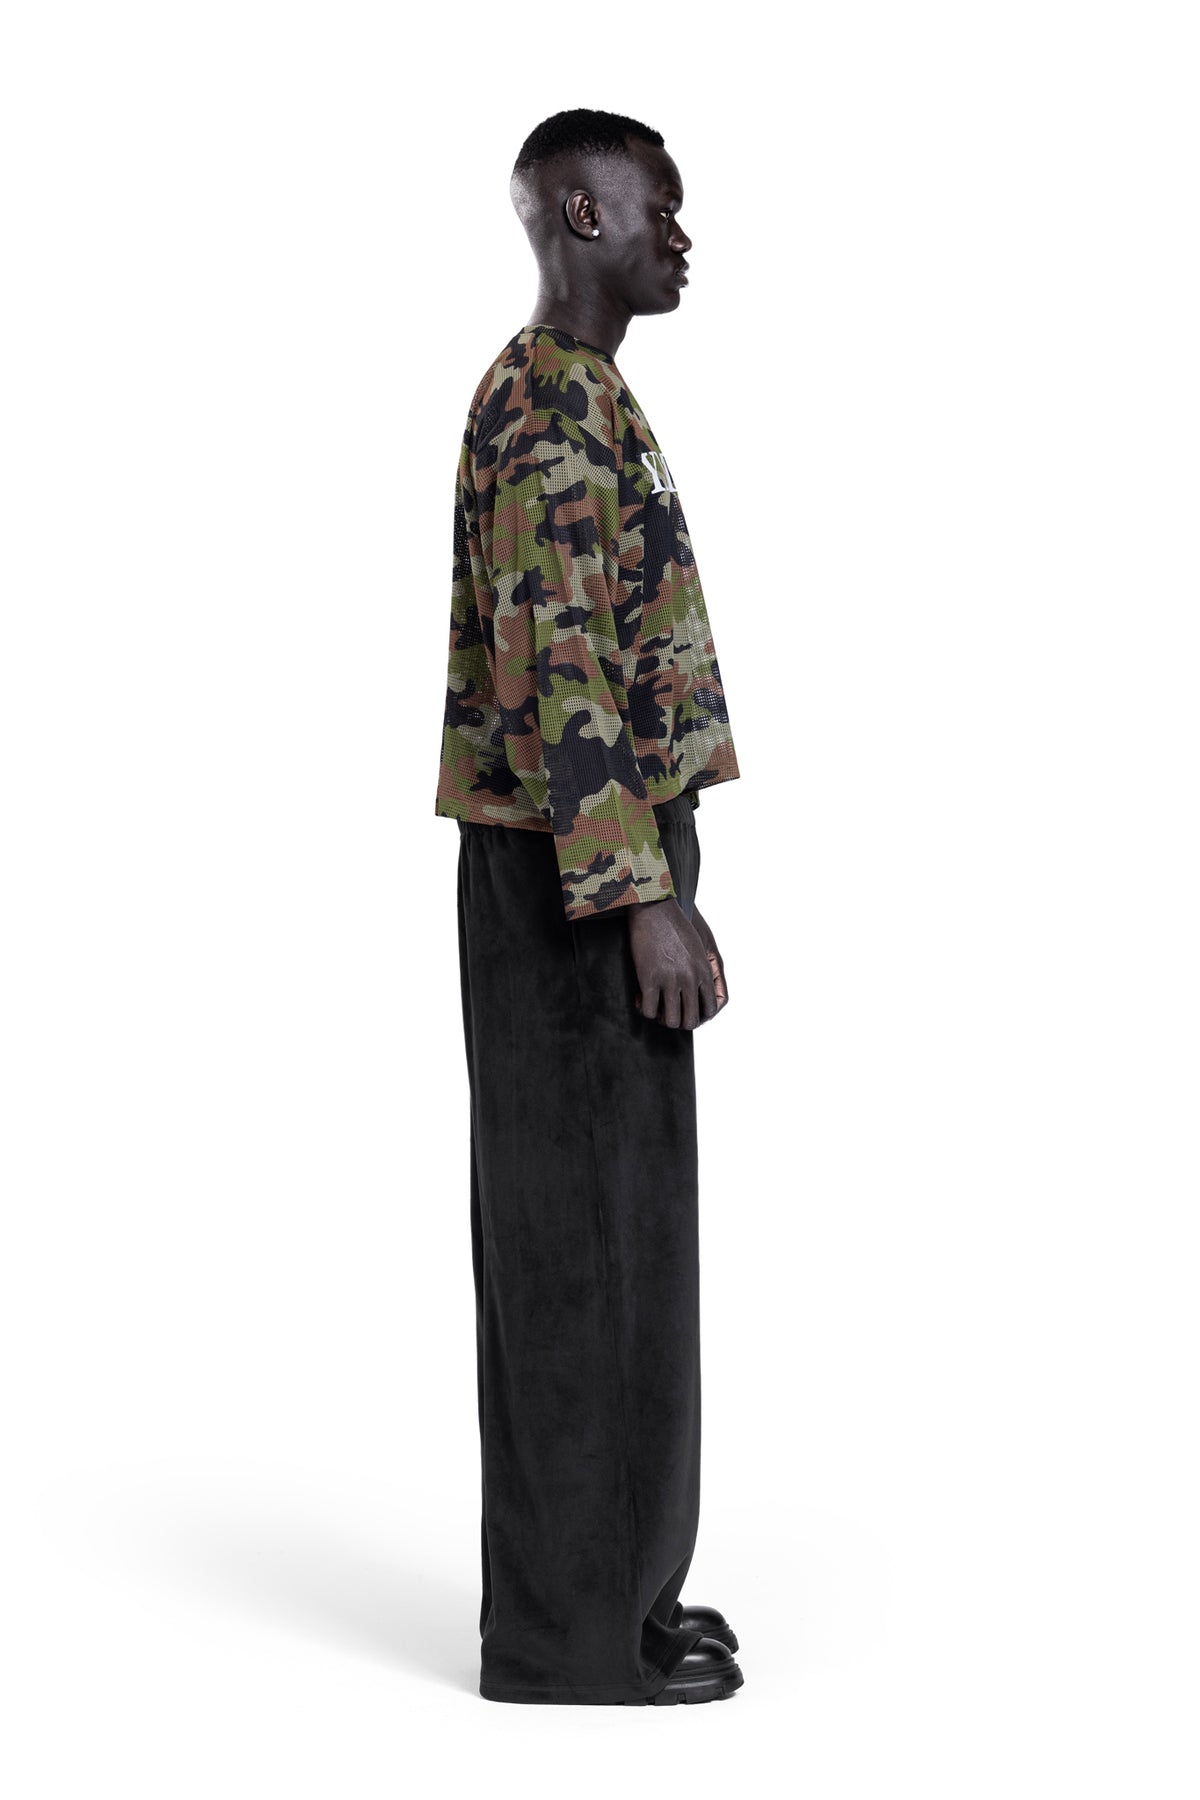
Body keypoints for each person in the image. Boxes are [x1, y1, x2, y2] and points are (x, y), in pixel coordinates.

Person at [434, 107, 744, 1706]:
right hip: (572, 873)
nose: (679, 237)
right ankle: (563, 1642)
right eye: (656, 208)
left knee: (627, 1239)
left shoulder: (586, 393)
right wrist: (640, 901)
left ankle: (624, 1595)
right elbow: (558, 668)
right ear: (580, 211)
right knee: (574, 1253)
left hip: (599, 854)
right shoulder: (545, 408)